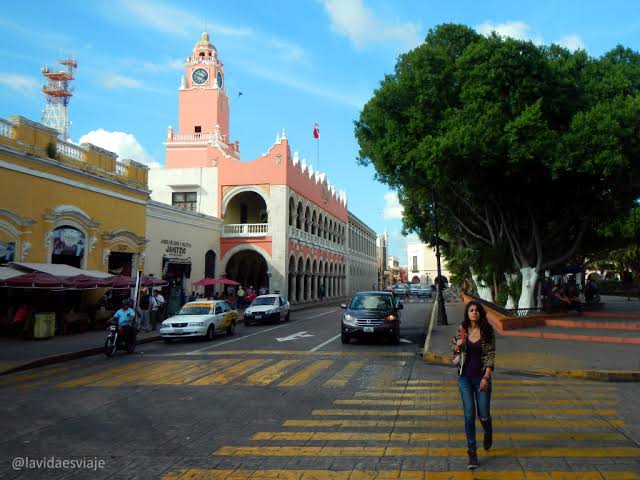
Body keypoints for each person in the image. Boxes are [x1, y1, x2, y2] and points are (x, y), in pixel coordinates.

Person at [451, 301, 496, 470]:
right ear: (467, 313)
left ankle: (488, 431)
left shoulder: (487, 331)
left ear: (480, 313)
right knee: (469, 415)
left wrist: (486, 376)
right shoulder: (462, 330)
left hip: (482, 378)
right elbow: (453, 350)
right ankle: (472, 453)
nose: (474, 312)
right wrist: (457, 346)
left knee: (483, 414)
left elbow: (491, 355)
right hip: (464, 379)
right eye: (471, 310)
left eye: (477, 310)